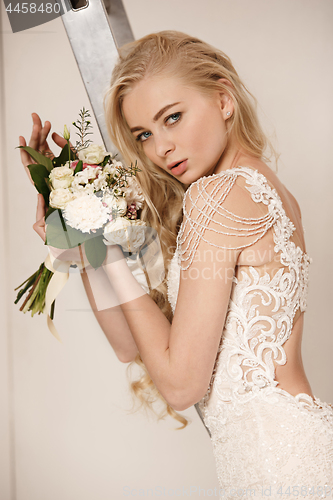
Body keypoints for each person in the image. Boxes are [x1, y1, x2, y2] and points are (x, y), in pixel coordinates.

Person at [20, 31, 333, 496]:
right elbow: (130, 345)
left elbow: (182, 386)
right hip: (279, 456)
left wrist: (104, 251)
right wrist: (79, 234)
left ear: (224, 99)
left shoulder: (220, 194)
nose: (160, 148)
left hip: (279, 467)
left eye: (173, 118)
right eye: (144, 134)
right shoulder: (260, 186)